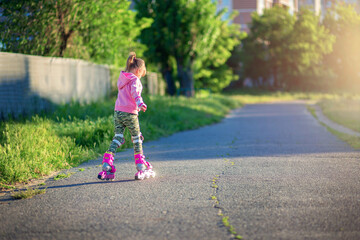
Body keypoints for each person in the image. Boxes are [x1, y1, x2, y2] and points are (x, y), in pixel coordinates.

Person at [98, 52, 155, 181]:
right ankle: (141, 165)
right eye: (141, 73)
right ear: (138, 70)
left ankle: (107, 162)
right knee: (136, 138)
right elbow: (135, 92)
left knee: (118, 137)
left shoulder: (122, 77)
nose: (140, 76)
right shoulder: (135, 79)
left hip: (118, 112)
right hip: (130, 113)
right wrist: (140, 103)